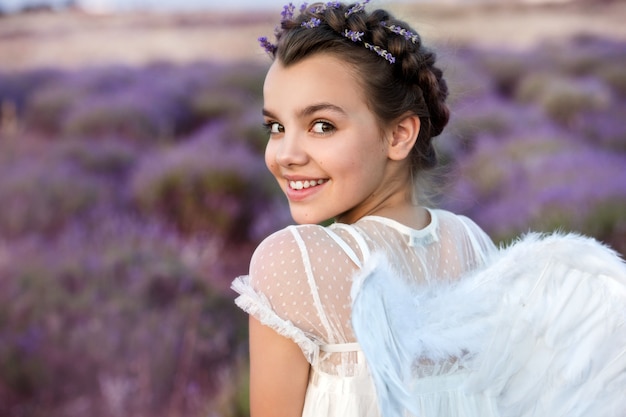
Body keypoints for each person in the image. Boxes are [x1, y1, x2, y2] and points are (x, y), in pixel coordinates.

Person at [232, 2, 626, 417]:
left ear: (400, 134)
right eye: (275, 127)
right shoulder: (469, 244)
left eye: (322, 125)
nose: (285, 154)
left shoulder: (296, 262)